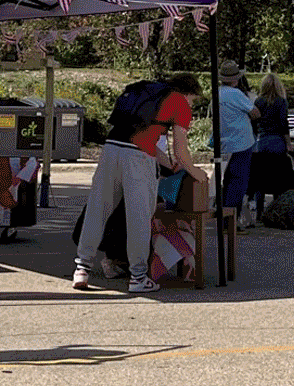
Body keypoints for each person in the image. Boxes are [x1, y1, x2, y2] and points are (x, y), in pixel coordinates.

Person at [71, 73, 205, 294]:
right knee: (139, 217)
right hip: (138, 158)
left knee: (97, 209)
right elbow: (181, 148)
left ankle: (82, 268)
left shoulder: (146, 93)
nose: (192, 104)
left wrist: (167, 163)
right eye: (194, 99)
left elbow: (144, 137)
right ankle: (139, 276)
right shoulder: (179, 102)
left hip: (111, 150)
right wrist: (195, 172)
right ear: (188, 92)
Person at [214, 61, 258, 229]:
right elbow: (255, 112)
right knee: (239, 182)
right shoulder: (236, 94)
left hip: (224, 142)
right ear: (236, 79)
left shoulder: (217, 93)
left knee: (227, 180)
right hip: (241, 141)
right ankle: (231, 222)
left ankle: (224, 218)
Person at [250, 71, 292, 223]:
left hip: (262, 141)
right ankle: (276, 212)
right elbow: (283, 124)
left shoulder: (258, 102)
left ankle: (260, 212)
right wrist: (289, 143)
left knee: (260, 178)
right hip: (277, 141)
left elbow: (253, 123)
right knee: (278, 178)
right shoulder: (281, 102)